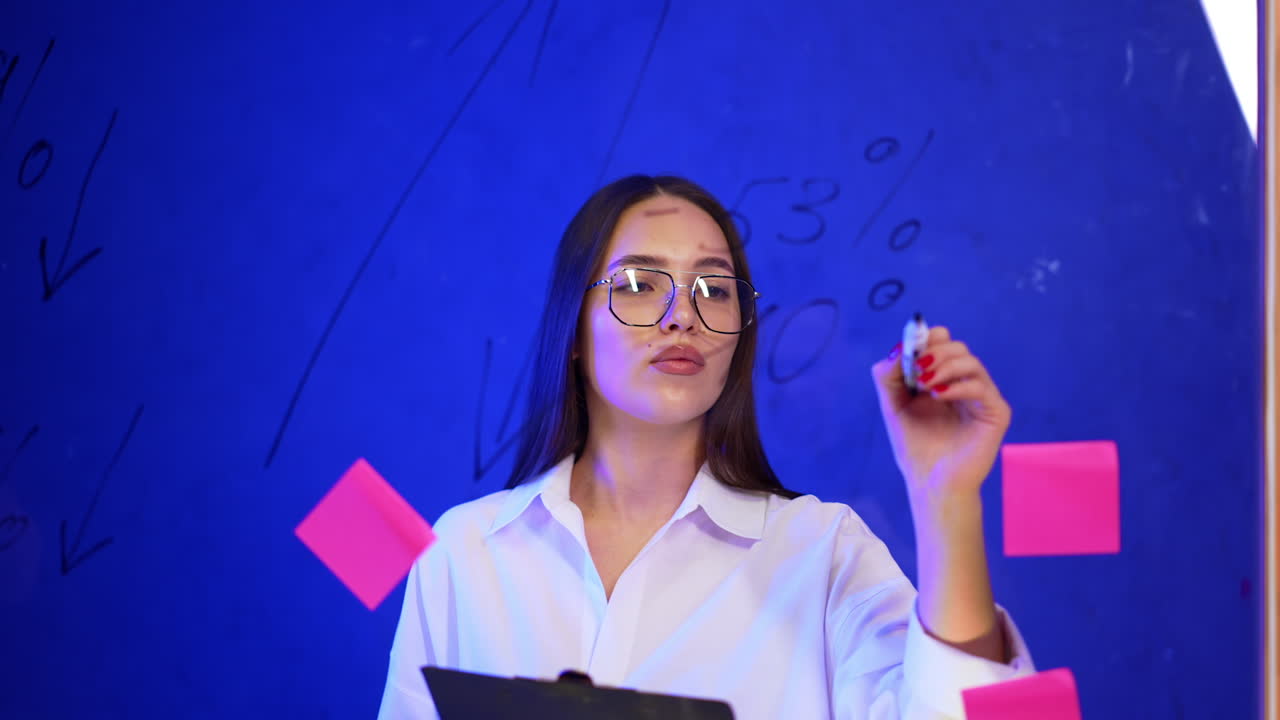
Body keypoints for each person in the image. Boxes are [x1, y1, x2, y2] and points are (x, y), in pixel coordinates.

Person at [377, 175, 1035, 719]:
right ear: (572, 330)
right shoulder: (464, 556)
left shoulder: (821, 553)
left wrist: (944, 496)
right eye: (639, 284)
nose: (681, 316)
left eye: (714, 289)